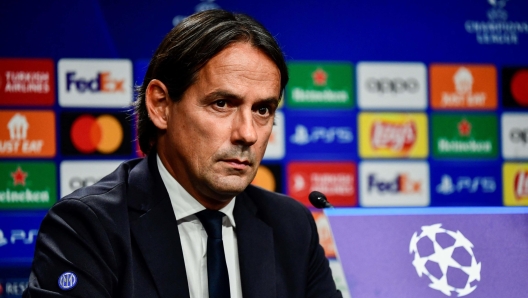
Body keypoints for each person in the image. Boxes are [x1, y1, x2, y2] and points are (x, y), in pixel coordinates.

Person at [24, 9, 341, 298]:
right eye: (222, 104)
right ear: (161, 106)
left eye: (262, 109)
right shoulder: (88, 226)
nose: (248, 133)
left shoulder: (292, 226)